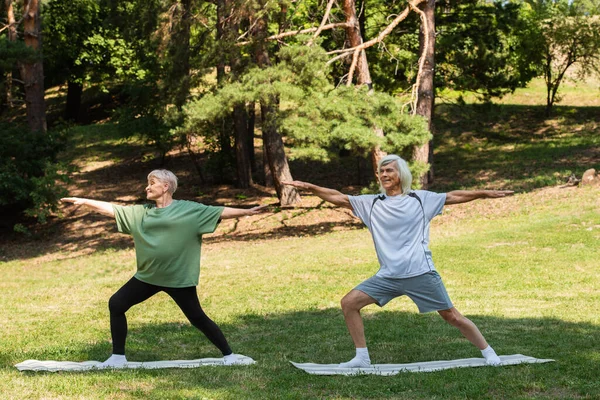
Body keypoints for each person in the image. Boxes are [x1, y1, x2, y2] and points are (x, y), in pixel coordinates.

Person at [283, 155, 514, 368]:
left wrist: (484, 193)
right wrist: (311, 188)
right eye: (381, 171)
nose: (384, 175)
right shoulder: (371, 203)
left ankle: (488, 352)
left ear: (401, 174)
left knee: (451, 316)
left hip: (420, 273)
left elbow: (453, 196)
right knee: (349, 303)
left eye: (389, 170)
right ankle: (361, 357)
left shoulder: (420, 199)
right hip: (388, 276)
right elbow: (338, 197)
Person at [61, 169, 267, 368]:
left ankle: (229, 355)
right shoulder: (141, 213)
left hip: (178, 278)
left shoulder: (189, 209)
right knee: (116, 304)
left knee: (197, 317)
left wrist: (247, 211)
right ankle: (117, 357)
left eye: (152, 183)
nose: (146, 188)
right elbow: (112, 209)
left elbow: (219, 211)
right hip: (148, 277)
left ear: (166, 186)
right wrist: (85, 201)